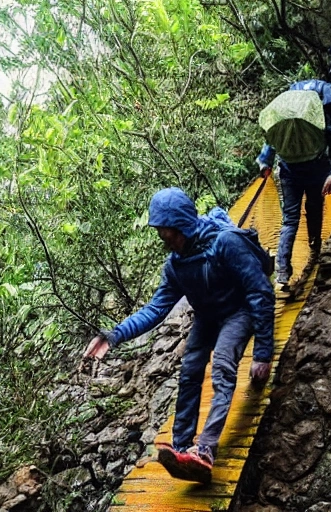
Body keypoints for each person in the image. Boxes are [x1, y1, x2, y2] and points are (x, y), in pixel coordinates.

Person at [83, 187, 275, 476]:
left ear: (181, 224)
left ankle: (206, 449)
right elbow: (155, 310)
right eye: (161, 232)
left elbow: (260, 292)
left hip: (239, 310)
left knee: (223, 366)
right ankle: (182, 449)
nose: (164, 238)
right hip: (208, 316)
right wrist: (113, 336)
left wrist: (262, 353)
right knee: (189, 371)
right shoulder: (175, 266)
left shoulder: (225, 243)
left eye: (167, 231)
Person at [256, 79, 331, 287]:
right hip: (317, 167)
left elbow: (273, 136)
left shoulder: (287, 103)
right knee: (314, 207)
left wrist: (265, 161)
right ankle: (314, 246)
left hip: (288, 169)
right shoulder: (324, 100)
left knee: (290, 220)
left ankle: (282, 271)